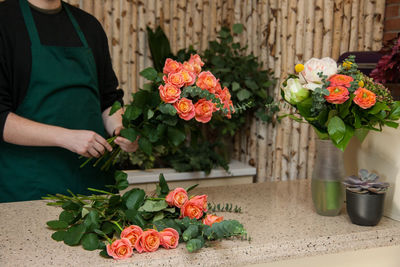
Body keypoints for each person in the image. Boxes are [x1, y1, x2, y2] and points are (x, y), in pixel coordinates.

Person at [0, 0, 138, 202]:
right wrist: (66, 137)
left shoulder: (89, 25)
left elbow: (108, 100)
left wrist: (123, 130)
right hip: (27, 189)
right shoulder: (5, 22)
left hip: (94, 187)